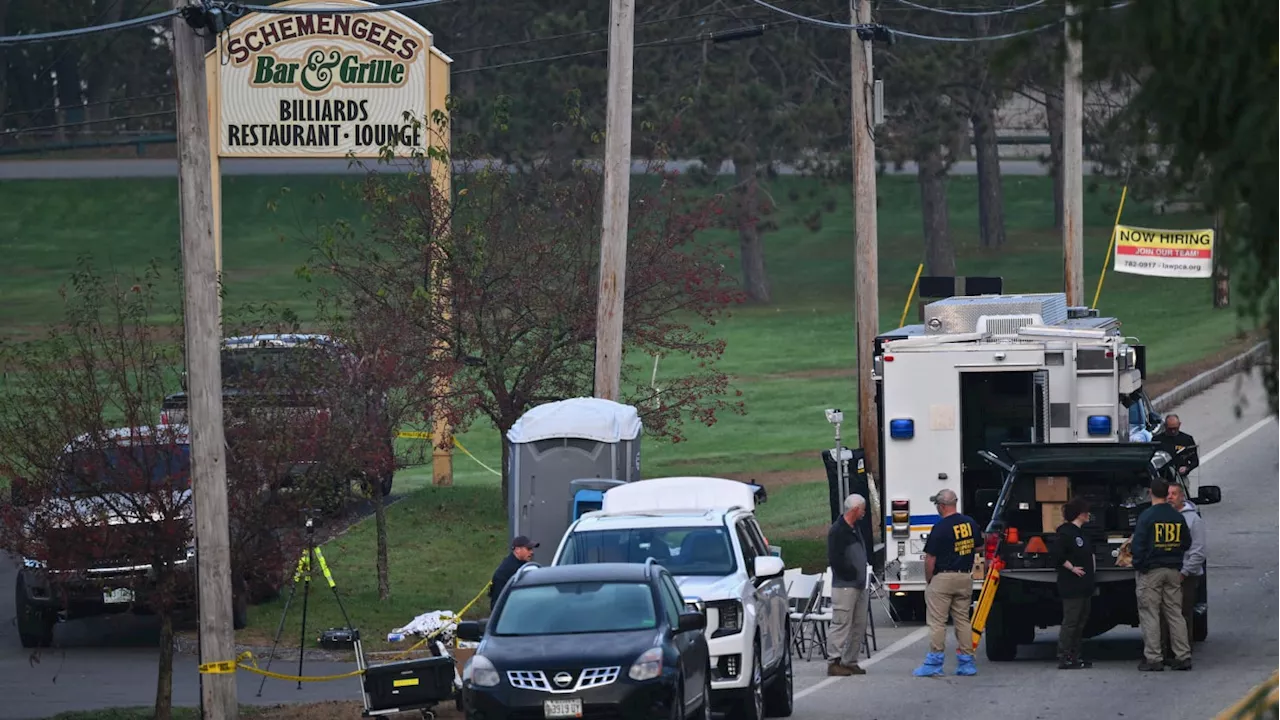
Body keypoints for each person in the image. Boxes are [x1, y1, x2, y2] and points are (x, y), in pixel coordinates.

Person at [913, 489, 982, 678]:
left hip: (943, 577)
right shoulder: (969, 523)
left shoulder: (940, 528)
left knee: (937, 622)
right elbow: (979, 545)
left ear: (942, 506)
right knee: (963, 620)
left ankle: (934, 662)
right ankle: (967, 662)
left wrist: (929, 580)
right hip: (964, 577)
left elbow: (930, 558)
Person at [1130, 478, 1192, 671]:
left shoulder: (1147, 516)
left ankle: (1154, 658)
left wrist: (1139, 565)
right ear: (1167, 494)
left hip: (1151, 571)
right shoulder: (1177, 517)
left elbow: (1138, 545)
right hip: (1173, 570)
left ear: (1150, 493)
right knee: (1175, 613)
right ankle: (1183, 656)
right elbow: (1186, 543)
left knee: (1150, 614)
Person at [1161, 484, 1206, 664]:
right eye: (1168, 494)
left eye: (1174, 494)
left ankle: (1183, 651)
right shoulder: (1162, 516)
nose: (1170, 497)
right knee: (1164, 613)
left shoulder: (1193, 520)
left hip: (1187, 575)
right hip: (1168, 572)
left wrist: (1185, 572)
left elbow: (1199, 550)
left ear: (1182, 497)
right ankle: (1166, 651)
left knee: (1182, 613)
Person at [825, 493, 870, 676]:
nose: (864, 513)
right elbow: (835, 559)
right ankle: (834, 661)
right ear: (855, 509)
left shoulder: (855, 528)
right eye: (863, 510)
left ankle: (850, 660)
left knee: (859, 624)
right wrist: (851, 573)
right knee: (841, 622)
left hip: (859, 584)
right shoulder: (838, 531)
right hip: (845, 585)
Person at [1050, 498, 1096, 669]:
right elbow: (1056, 555)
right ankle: (1064, 655)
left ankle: (1075, 655)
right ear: (1080, 514)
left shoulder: (1081, 533)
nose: (1089, 515)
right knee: (1071, 621)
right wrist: (1072, 568)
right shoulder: (1065, 533)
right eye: (1086, 511)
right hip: (1072, 585)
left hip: (1085, 585)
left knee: (1081, 621)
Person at [489, 536, 538, 606]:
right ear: (517, 550)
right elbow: (498, 602)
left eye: (532, 549)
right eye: (528, 549)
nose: (532, 552)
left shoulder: (524, 564)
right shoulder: (505, 570)